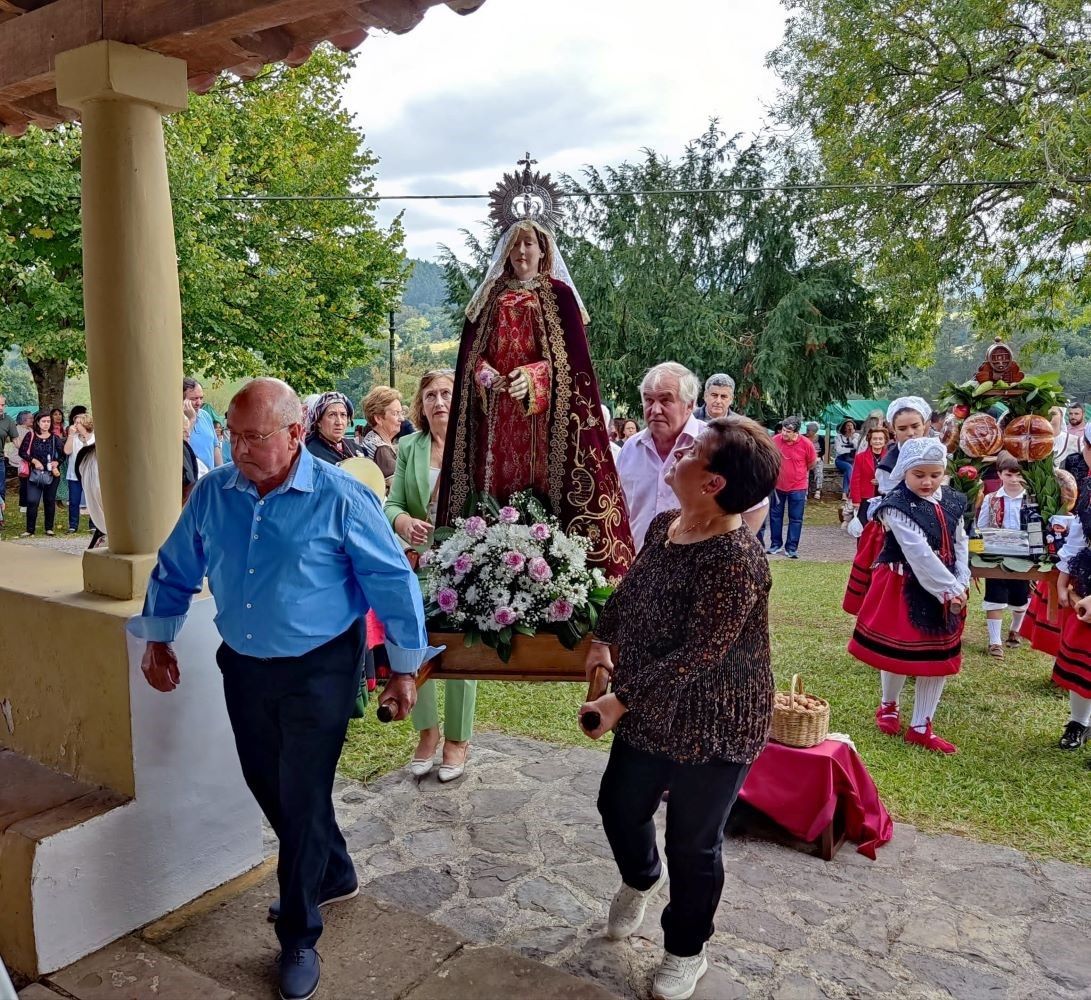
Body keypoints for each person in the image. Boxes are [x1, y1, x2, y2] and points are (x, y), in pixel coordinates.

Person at [128, 378, 439, 1000]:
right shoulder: (215, 494)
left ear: (296, 435)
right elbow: (176, 566)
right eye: (233, 436)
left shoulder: (341, 497)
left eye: (255, 437)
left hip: (321, 667)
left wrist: (404, 668)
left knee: (300, 794)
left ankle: (299, 934)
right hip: (244, 664)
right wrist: (159, 636)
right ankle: (336, 869)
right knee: (267, 780)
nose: (239, 449)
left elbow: (391, 582)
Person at [579, 415, 780, 1000]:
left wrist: (620, 700)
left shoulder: (737, 560)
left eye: (696, 450)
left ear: (714, 482)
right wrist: (601, 637)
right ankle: (640, 879)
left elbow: (702, 653)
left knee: (693, 843)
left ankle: (685, 950)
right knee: (618, 805)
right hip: (648, 705)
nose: (682, 451)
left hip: (718, 718)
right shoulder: (668, 524)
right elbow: (631, 590)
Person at [436, 207, 634, 579]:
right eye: (515, 245)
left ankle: (548, 558)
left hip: (544, 425)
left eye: (529, 243)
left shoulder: (560, 296)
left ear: (543, 249)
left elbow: (572, 368)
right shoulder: (489, 297)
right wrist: (484, 373)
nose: (522, 252)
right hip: (495, 418)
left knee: (542, 483)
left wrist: (533, 378)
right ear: (506, 252)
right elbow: (470, 360)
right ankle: (489, 555)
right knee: (492, 484)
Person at [847, 438, 969, 754]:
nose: (928, 482)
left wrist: (962, 579)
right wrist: (949, 589)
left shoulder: (953, 500)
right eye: (919, 475)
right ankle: (888, 705)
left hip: (946, 584)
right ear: (905, 473)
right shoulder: (895, 506)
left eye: (935, 474)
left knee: (938, 657)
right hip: (904, 584)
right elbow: (918, 553)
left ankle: (921, 724)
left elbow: (960, 541)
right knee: (899, 652)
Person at [385, 369, 477, 783]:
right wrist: (404, 523)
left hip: (470, 566)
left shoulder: (479, 446)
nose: (439, 402)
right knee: (412, 645)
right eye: (430, 396)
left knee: (460, 650)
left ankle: (458, 739)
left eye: (446, 394)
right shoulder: (409, 446)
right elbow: (392, 504)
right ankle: (427, 733)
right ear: (420, 406)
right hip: (419, 565)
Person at [843, 397, 932, 613]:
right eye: (903, 428)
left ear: (925, 426)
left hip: (930, 523)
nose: (910, 432)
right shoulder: (889, 463)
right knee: (896, 577)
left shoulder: (934, 452)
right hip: (898, 525)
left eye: (915, 426)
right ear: (894, 429)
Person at [976, 452, 1030, 658]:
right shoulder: (991, 499)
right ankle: (994, 641)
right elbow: (981, 527)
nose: (1014, 480)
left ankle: (1015, 630)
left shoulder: (1032, 499)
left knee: (1020, 598)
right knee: (995, 596)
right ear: (999, 474)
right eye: (1009, 475)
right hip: (996, 554)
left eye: (1019, 475)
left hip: (1023, 556)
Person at [766, 416, 817, 558]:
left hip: (798, 486)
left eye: (788, 431)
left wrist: (798, 472)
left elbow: (811, 463)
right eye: (783, 430)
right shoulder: (775, 440)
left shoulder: (806, 444)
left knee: (796, 518)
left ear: (796, 432)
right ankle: (775, 544)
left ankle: (791, 547)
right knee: (775, 516)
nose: (784, 434)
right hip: (778, 485)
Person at [18, 410, 62, 537]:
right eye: (43, 421)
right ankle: (30, 529)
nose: (46, 424)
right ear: (38, 422)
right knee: (32, 501)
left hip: (51, 475)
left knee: (49, 500)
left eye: (48, 421)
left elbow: (63, 455)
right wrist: (34, 460)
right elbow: (22, 452)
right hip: (34, 474)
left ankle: (49, 528)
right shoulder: (30, 435)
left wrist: (57, 462)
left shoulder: (55, 438)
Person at [361, 386, 403, 486]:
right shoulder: (381, 449)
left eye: (401, 413)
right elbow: (399, 488)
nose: (401, 418)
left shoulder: (372, 438)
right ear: (378, 418)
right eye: (395, 414)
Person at [305, 392, 361, 465]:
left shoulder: (355, 448)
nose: (339, 422)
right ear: (318, 421)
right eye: (332, 415)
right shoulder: (311, 455)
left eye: (343, 415)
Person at [63, 407, 94, 533]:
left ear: (85, 424)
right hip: (74, 474)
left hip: (90, 473)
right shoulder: (74, 437)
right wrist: (70, 435)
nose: (74, 425)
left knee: (92, 500)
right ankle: (73, 525)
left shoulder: (95, 437)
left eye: (77, 423)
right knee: (74, 501)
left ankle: (93, 525)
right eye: (74, 422)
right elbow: (67, 451)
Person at [183, 377, 222, 471]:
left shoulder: (205, 415)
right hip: (191, 480)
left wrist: (221, 473)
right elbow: (182, 448)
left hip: (208, 478)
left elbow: (215, 446)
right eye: (194, 399)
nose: (199, 403)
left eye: (201, 398)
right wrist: (191, 420)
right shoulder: (176, 420)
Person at [849, 426, 890, 514]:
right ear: (870, 441)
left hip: (885, 497)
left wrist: (881, 481)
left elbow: (894, 477)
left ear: (885, 440)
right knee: (865, 526)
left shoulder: (890, 457)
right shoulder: (860, 457)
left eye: (880, 439)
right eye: (874, 439)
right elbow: (855, 480)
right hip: (865, 498)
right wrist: (856, 500)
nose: (877, 441)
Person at [1054, 402, 1087, 469]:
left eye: (1076, 414)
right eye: (1071, 414)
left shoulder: (1087, 432)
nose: (1073, 416)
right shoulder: (1062, 430)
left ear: (1083, 415)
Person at [833, 419, 859, 500]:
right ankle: (852, 491)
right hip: (841, 460)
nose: (850, 427)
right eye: (848, 426)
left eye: (851, 426)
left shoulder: (856, 436)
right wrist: (850, 450)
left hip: (852, 460)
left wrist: (852, 437)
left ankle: (844, 494)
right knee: (849, 468)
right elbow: (839, 450)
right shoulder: (838, 437)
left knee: (848, 471)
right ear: (844, 428)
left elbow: (857, 447)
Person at [804, 422, 825, 500]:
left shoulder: (820, 438)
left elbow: (823, 451)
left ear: (814, 431)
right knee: (805, 473)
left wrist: (816, 456)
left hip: (817, 458)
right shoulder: (803, 437)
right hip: (805, 459)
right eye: (807, 429)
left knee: (819, 471)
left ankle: (818, 490)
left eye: (809, 430)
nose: (807, 432)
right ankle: (805, 491)